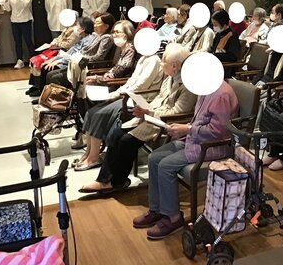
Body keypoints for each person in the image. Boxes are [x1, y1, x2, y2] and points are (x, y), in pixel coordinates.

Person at [79, 44, 196, 192]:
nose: (161, 64)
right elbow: (160, 98)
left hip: (164, 122)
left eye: (164, 61)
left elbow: (177, 112)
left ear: (175, 66)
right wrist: (146, 109)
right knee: (115, 134)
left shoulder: (188, 85)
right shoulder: (170, 78)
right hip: (152, 115)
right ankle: (103, 179)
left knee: (126, 141)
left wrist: (150, 113)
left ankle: (117, 181)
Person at [132, 80, 238, 240]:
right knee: (154, 158)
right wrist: (183, 127)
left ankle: (173, 217)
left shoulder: (221, 94)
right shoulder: (206, 87)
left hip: (213, 146)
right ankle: (157, 209)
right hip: (195, 139)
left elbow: (217, 131)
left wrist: (187, 129)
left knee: (165, 165)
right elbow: (200, 121)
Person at [41, 13, 115, 91]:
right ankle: (47, 96)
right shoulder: (96, 35)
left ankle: (61, 97)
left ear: (106, 26)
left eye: (98, 23)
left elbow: (99, 57)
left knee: (54, 77)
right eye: (95, 23)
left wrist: (80, 58)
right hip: (78, 63)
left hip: (87, 66)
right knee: (50, 74)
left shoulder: (106, 38)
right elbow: (84, 50)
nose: (95, 25)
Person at [30, 16, 95, 94]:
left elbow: (77, 55)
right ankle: (42, 92)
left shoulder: (87, 40)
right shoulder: (80, 37)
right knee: (43, 65)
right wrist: (54, 59)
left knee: (48, 70)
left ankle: (49, 95)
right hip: (65, 57)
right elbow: (69, 51)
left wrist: (59, 61)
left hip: (72, 63)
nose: (75, 28)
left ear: (83, 29)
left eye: (77, 26)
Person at [1, 0, 35, 69]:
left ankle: (33, 60)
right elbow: (7, 9)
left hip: (25, 20)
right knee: (17, 42)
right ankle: (20, 60)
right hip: (14, 21)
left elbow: (25, 5)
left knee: (28, 41)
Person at [210, 9, 241, 77]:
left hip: (226, 67)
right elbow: (213, 49)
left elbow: (232, 56)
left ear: (224, 24)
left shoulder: (232, 36)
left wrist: (215, 55)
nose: (214, 27)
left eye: (216, 25)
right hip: (215, 63)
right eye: (213, 24)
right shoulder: (218, 34)